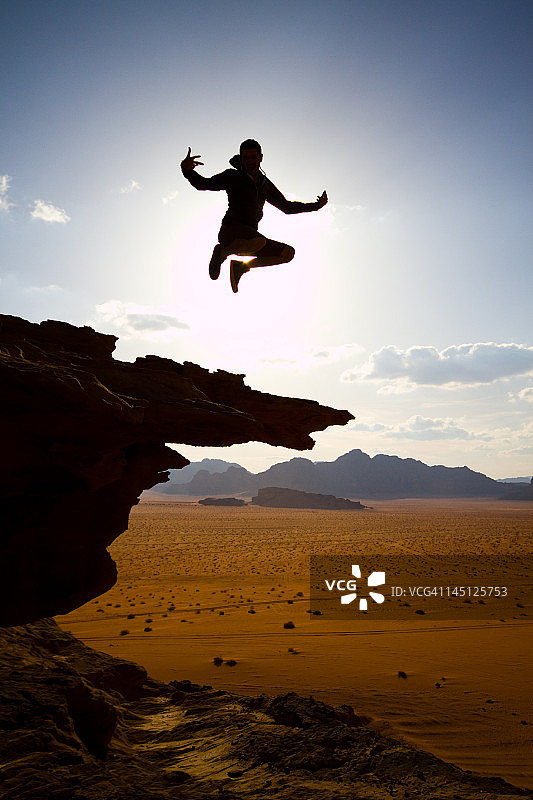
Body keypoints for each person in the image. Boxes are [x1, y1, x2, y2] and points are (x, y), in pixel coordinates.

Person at [180, 139, 328, 292]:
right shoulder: (233, 176)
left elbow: (287, 207)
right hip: (231, 231)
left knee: (288, 253)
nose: (250, 161)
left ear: (260, 158)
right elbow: (204, 184)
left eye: (253, 157)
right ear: (241, 158)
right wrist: (187, 170)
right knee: (258, 241)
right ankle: (221, 252)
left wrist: (316, 206)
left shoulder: (264, 184)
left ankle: (241, 267)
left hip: (251, 237)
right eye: (246, 158)